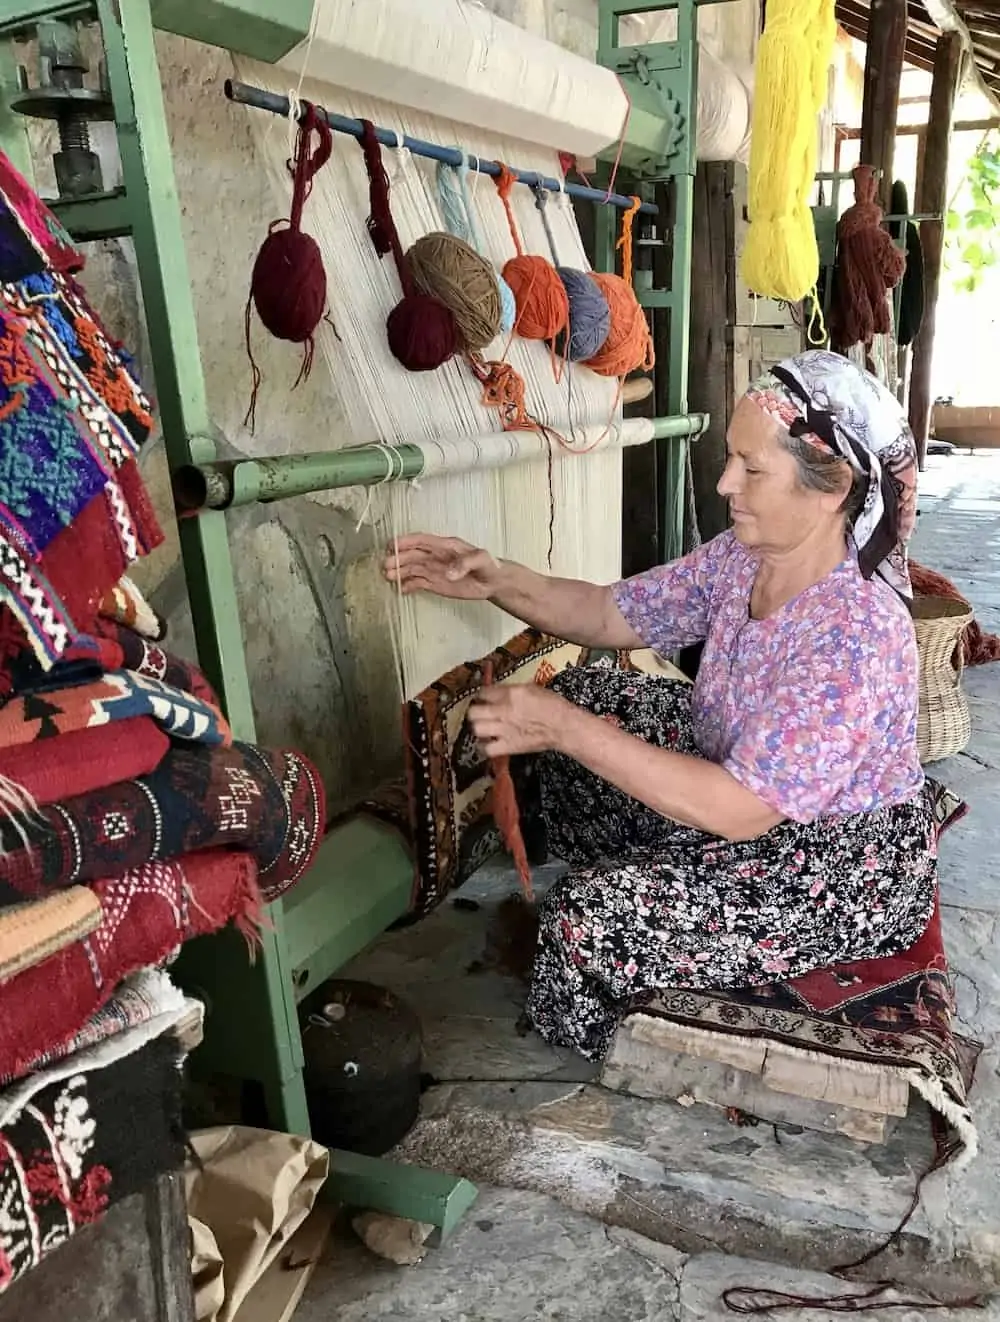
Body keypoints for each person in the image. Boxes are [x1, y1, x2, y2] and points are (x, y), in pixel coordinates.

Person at [384, 349, 938, 1061]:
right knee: (585, 698)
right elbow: (613, 613)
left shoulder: (856, 633)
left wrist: (564, 728)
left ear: (830, 491)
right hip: (735, 767)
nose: (724, 482)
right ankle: (667, 860)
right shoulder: (746, 556)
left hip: (829, 862)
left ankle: (609, 1036)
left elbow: (742, 809)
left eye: (751, 468)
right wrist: (497, 576)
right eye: (730, 458)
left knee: (588, 919)